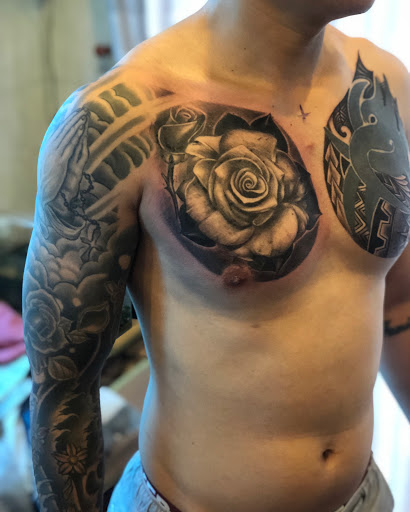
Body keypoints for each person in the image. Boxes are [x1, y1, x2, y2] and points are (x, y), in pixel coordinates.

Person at [22, 0, 410, 511]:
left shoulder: (385, 83)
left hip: (365, 497)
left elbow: (398, 303)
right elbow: (64, 392)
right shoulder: (119, 119)